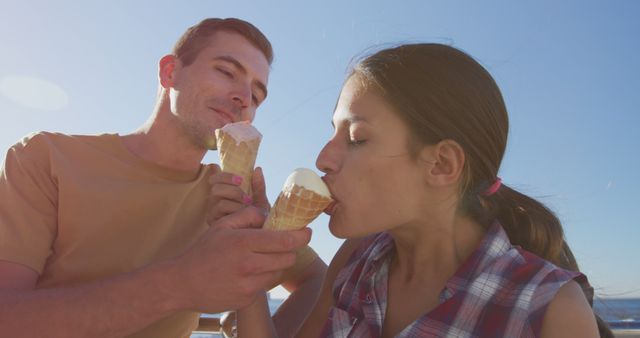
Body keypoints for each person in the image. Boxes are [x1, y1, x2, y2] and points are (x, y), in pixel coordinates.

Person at [234, 43, 613, 337]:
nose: (323, 158)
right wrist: (248, 270)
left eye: (356, 138)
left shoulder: (550, 310)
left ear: (442, 164)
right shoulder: (354, 261)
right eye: (332, 133)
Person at [0, 18, 326, 338]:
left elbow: (319, 280)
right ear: (170, 73)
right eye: (226, 72)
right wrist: (181, 283)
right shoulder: (46, 158)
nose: (244, 98)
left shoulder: (233, 199)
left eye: (256, 96)